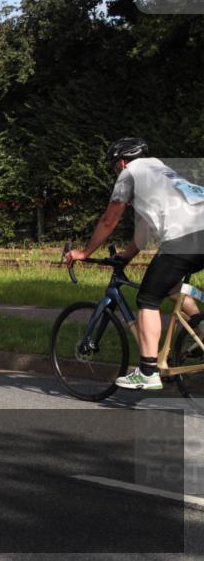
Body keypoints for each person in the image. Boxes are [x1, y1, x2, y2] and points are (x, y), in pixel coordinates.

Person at [66, 137, 204, 390]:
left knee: (147, 299)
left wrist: (84, 252)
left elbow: (109, 220)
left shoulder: (130, 174)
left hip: (185, 237)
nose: (115, 172)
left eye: (114, 167)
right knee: (169, 285)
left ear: (121, 161)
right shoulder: (161, 171)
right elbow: (144, 230)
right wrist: (126, 257)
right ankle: (200, 326)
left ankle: (147, 371)